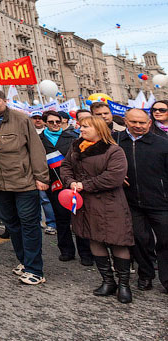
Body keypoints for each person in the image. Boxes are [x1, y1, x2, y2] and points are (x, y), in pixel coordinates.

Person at [60, 114, 134, 302]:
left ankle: (124, 284)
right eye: (81, 126)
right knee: (95, 240)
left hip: (110, 203)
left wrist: (85, 185)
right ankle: (108, 281)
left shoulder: (114, 151)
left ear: (98, 130)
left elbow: (114, 177)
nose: (81, 129)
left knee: (118, 241)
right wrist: (71, 182)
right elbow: (66, 167)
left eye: (86, 127)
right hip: (86, 204)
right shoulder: (76, 147)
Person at [0, 89, 50, 286]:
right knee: (11, 223)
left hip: (24, 181)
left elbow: (36, 149)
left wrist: (41, 177)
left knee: (29, 224)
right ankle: (24, 261)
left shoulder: (21, 119)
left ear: (5, 100)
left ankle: (35, 269)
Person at [113, 108, 168, 293]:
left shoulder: (163, 144)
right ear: (126, 122)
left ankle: (166, 280)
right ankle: (145, 275)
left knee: (165, 241)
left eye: (142, 122)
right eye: (133, 122)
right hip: (131, 202)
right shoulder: (116, 142)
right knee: (140, 240)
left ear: (149, 123)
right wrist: (116, 177)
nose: (138, 126)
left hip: (161, 203)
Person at [39, 110, 90, 265]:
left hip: (74, 183)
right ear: (45, 123)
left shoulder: (73, 137)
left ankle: (86, 253)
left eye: (58, 122)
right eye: (51, 122)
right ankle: (66, 250)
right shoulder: (38, 140)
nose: (55, 125)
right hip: (53, 184)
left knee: (79, 218)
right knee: (61, 219)